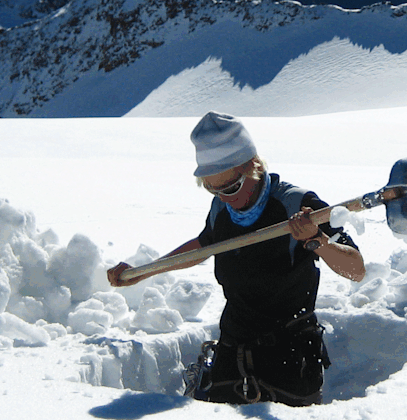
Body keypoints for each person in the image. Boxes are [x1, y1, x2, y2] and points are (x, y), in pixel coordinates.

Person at [106, 111, 366, 406]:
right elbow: (203, 247)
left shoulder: (297, 204)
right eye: (211, 188)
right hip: (233, 354)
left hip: (291, 359)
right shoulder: (221, 210)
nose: (224, 197)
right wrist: (147, 271)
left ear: (253, 166)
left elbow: (356, 270)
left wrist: (316, 241)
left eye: (230, 187)